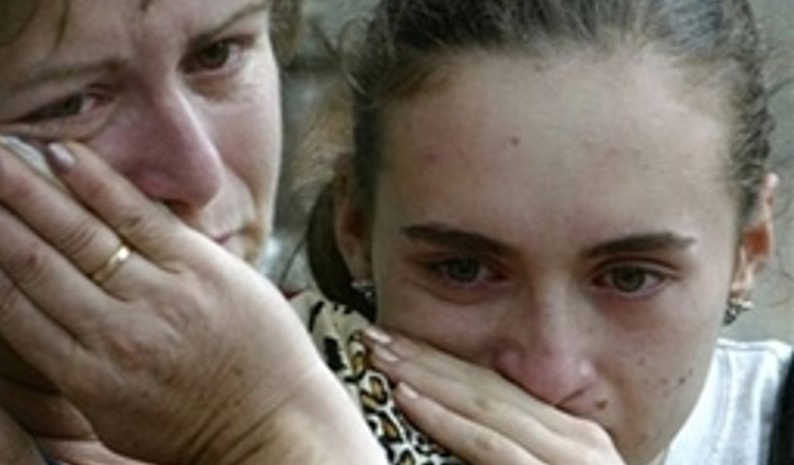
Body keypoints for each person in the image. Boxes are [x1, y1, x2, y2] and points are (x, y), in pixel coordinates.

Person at [0, 0, 387, 463]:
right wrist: (280, 433)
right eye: (72, 104)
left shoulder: (389, 362)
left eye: (217, 55)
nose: (200, 175)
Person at [297, 0, 793, 464]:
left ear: (747, 250)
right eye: (462, 270)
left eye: (631, 278)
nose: (547, 378)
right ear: (355, 227)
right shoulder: (270, 424)